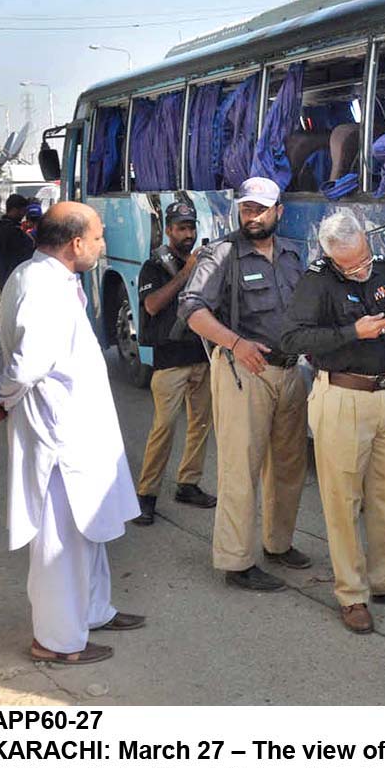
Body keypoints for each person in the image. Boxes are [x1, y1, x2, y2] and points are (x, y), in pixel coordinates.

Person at [0, 202, 144, 665]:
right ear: (75, 243)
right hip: (57, 435)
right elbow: (25, 364)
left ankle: (93, 611)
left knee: (87, 528)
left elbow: (3, 342)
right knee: (59, 540)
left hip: (79, 427)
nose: (101, 245)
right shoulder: (41, 287)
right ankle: (56, 642)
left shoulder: (48, 278)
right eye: (97, 237)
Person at [281, 211, 385, 633]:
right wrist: (353, 333)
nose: (363, 269)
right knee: (343, 501)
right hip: (342, 397)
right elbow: (291, 340)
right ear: (331, 257)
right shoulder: (317, 283)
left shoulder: (379, 266)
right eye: (352, 266)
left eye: (364, 259)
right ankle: (351, 595)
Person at [178, 176, 311, 591]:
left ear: (278, 212)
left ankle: (278, 544)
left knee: (289, 466)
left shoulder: (292, 254)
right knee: (241, 468)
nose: (251, 216)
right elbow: (192, 310)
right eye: (246, 208)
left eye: (260, 209)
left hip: (290, 372)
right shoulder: (222, 254)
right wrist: (234, 343)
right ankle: (237, 562)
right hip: (244, 372)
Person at [132, 200, 217, 526]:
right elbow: (152, 305)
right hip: (170, 362)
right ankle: (146, 495)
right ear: (168, 231)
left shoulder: (203, 262)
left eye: (191, 227)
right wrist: (186, 272)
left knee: (200, 425)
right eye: (181, 228)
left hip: (201, 357)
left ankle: (188, 483)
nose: (188, 234)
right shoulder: (155, 266)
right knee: (164, 428)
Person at [0, 194, 35, 367]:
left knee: (7, 317)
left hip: (2, 277)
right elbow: (27, 252)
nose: (24, 214)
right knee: (9, 319)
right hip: (12, 278)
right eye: (22, 210)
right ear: (15, 209)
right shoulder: (13, 232)